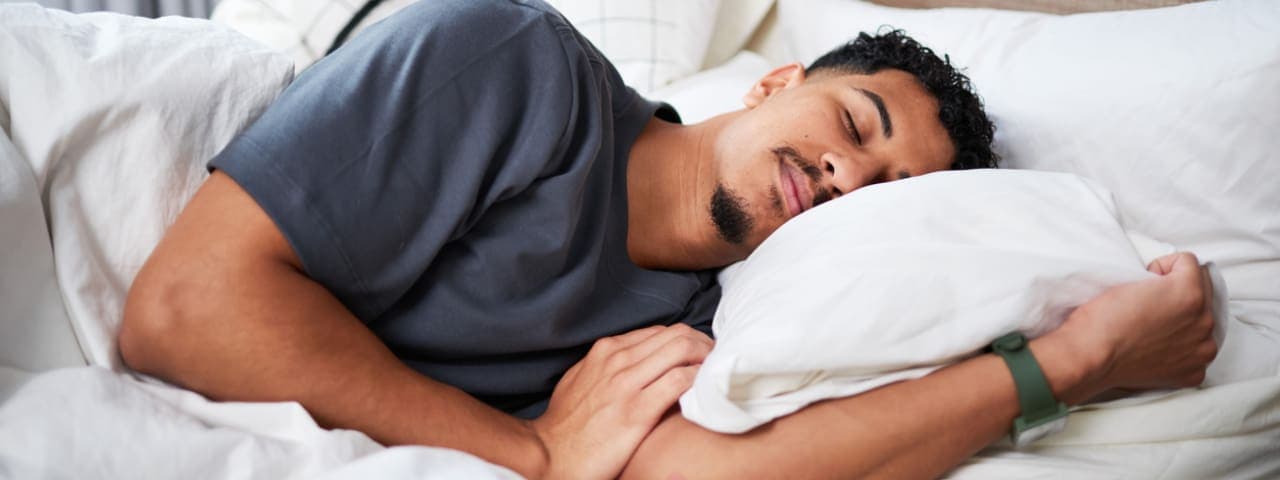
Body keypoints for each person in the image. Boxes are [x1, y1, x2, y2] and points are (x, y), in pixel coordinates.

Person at [118, 0, 1218, 478]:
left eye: (881, 196)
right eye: (853, 126)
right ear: (777, 82)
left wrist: (1068, 364)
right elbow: (181, 309)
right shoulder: (511, 63)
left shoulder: (721, 322)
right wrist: (531, 454)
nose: (846, 177)